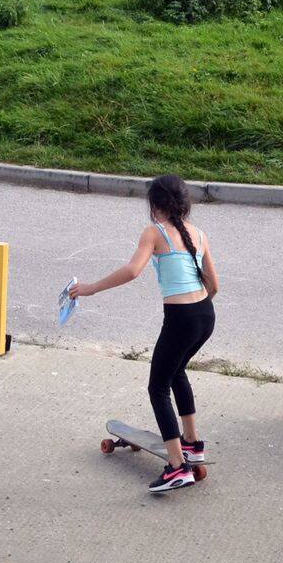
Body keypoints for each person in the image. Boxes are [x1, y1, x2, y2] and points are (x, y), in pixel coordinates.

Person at [69, 174, 220, 493]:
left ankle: (178, 468)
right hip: (205, 315)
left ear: (154, 205)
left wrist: (92, 288)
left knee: (158, 387)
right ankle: (192, 444)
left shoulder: (155, 232)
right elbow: (215, 286)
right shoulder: (199, 233)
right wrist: (195, 310)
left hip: (181, 317)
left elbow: (133, 270)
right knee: (177, 372)